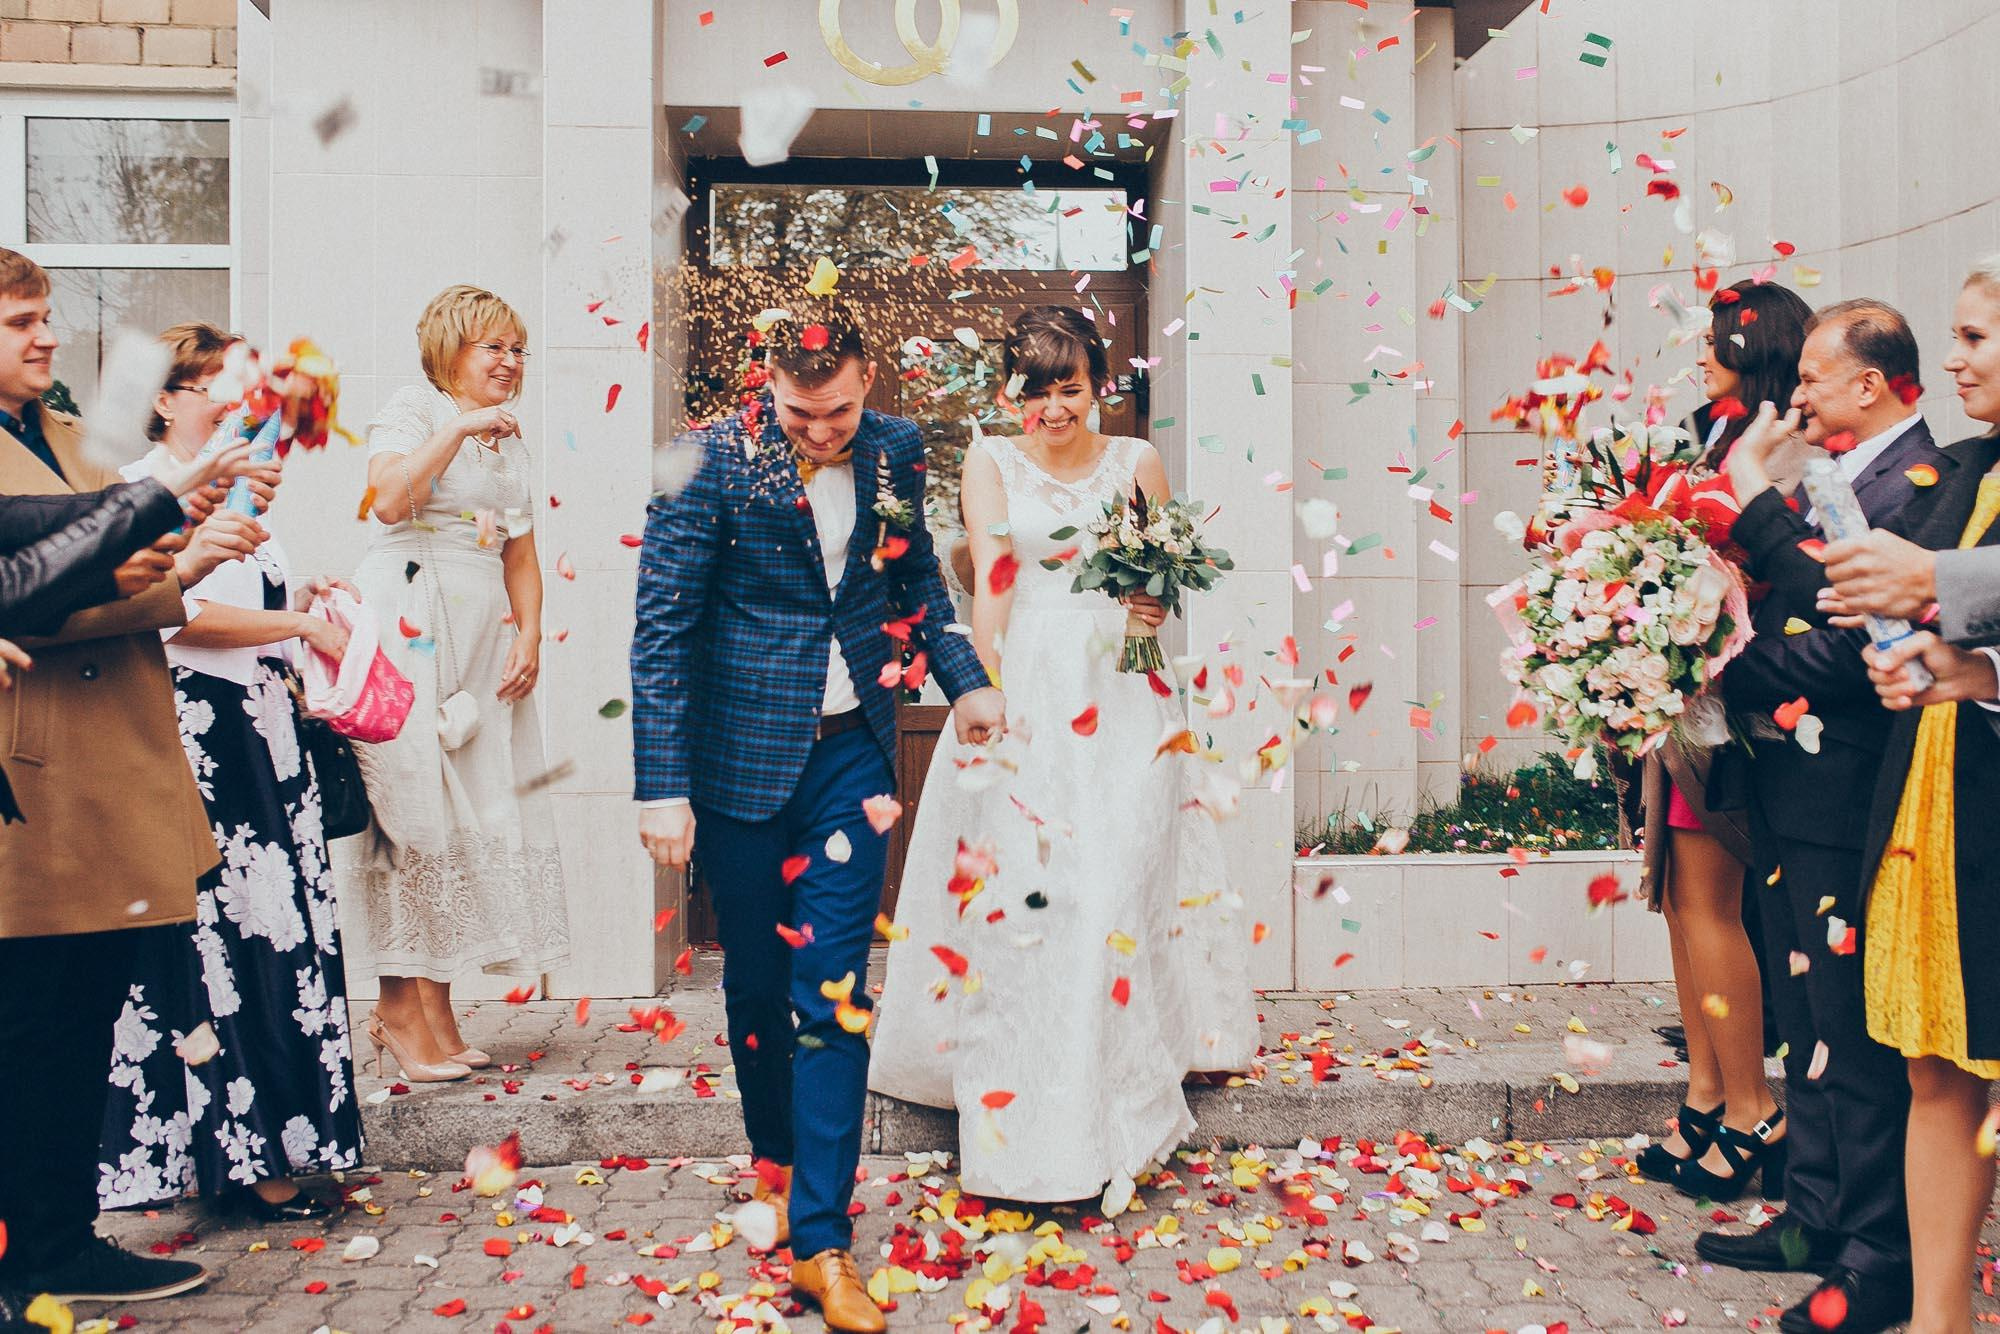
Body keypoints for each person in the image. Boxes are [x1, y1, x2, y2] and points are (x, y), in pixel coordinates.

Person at [633, 309, 1006, 1334]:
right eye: (802, 413)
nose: (823, 429)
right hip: (738, 765)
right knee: (756, 984)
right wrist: (658, 783)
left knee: (832, 989)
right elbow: (659, 627)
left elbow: (913, 576)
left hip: (852, 753)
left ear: (865, 379)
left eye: (839, 408)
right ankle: (778, 1155)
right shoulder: (702, 459)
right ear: (769, 384)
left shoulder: (894, 447)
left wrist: (964, 679)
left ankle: (822, 1239)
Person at [868, 304, 1258, 1206]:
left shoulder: (1136, 462)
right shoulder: (991, 460)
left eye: (1070, 388)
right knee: (1041, 888)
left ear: (1098, 385)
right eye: (1035, 390)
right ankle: (1039, 1087)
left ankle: (1125, 1079)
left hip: (1129, 687)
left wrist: (1155, 608)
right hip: (1035, 688)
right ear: (1014, 390)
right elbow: (997, 578)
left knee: (1120, 876)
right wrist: (983, 689)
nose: (1052, 407)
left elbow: (1161, 569)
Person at [0, 247, 270, 1306]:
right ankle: (27, 1255)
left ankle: (65, 1241)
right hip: (39, 774)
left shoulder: (64, 433)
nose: (47, 336)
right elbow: (34, 593)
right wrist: (145, 574)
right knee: (24, 1030)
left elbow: (117, 564)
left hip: (114, 759)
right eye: (21, 319)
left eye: (45, 316)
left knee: (78, 1026)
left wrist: (180, 547)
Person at [1695, 300, 1958, 1334]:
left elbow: (1857, 646)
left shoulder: (1926, 481)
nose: (1792, 392)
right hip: (1786, 784)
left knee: (1847, 1032)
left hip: (1851, 789)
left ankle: (1867, 1248)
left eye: (1811, 373)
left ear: (1867, 382)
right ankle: (1807, 1214)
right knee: (1801, 1017)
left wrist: (1721, 667)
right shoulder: (1833, 476)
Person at [95, 322, 363, 1223]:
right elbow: (179, 617)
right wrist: (296, 630)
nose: (233, 396)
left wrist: (307, 595)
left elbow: (249, 597)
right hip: (198, 743)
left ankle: (290, 1136)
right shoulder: (142, 494)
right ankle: (243, 1160)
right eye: (213, 381)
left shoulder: (239, 488)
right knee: (221, 938)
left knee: (282, 935)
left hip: (264, 737)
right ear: (166, 400)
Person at [1820, 257, 2000, 1334]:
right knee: (1936, 1068)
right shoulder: (1970, 470)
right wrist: (1950, 670)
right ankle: (1939, 1320)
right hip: (1942, 797)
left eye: (1976, 337)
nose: (1953, 358)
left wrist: (1935, 591)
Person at [336, 285, 569, 1081]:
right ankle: (396, 1010)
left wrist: (530, 634)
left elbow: (521, 554)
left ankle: (435, 1003)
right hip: (409, 621)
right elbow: (385, 500)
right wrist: (458, 428)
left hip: (478, 638)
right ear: (450, 350)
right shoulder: (413, 409)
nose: (510, 363)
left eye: (518, 350)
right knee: (411, 811)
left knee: (463, 813)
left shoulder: (512, 443)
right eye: (493, 348)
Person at [1634, 282, 1808, 1198]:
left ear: (1752, 345)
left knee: (1711, 904)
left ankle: (1753, 1105)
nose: (1702, 355)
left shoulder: (1778, 448)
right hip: (1680, 707)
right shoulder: (1713, 435)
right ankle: (1705, 1089)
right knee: (1676, 900)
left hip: (1732, 714)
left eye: (1716, 342)